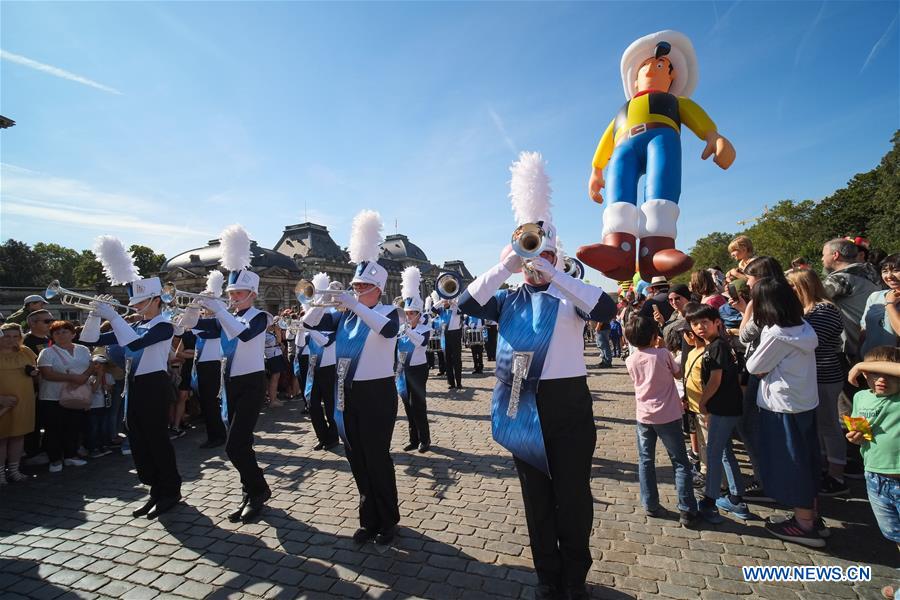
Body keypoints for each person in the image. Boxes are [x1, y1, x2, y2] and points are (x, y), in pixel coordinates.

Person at [462, 153, 617, 599]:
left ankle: (575, 576)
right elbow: (469, 303)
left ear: (555, 253)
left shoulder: (570, 298)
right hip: (521, 405)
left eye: (544, 251)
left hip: (567, 404)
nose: (536, 259)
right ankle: (547, 576)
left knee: (572, 495)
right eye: (531, 252)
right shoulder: (506, 299)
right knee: (536, 499)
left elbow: (606, 309)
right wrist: (509, 264)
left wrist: (557, 273)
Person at [579, 30, 735, 281]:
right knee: (618, 194)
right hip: (623, 147)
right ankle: (619, 249)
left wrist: (712, 136)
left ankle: (656, 250)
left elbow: (698, 117)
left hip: (661, 138)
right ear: (635, 80)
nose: (654, 67)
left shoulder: (674, 101)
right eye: (648, 65)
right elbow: (607, 139)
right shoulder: (623, 110)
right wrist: (596, 170)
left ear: (671, 77)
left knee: (661, 189)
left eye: (662, 64)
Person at [302, 210, 401, 545]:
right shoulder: (344, 317)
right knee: (356, 458)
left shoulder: (388, 312)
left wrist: (352, 304)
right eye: (356, 286)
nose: (357, 291)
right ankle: (368, 518)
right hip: (346, 391)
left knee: (376, 457)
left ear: (378, 289)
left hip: (377, 393)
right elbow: (310, 324)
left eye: (364, 287)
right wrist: (322, 297)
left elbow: (387, 331)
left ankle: (388, 520)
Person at [181, 226, 272, 524]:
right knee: (241, 445)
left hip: (251, 383)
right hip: (229, 383)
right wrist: (196, 307)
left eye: (239, 293)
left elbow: (244, 336)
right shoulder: (226, 317)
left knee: (234, 444)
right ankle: (251, 491)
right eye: (231, 293)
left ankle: (258, 490)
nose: (233, 297)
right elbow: (188, 328)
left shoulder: (260, 317)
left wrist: (219, 310)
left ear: (252, 294)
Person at [81, 268, 182, 519]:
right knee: (138, 441)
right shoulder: (135, 324)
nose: (134, 307)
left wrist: (114, 317)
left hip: (155, 386)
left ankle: (170, 490)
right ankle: (155, 488)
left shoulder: (164, 326)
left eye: (138, 302)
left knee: (157, 440)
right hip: (134, 384)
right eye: (133, 303)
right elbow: (89, 339)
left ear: (155, 300)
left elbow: (135, 344)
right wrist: (95, 315)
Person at [745, 278, 824, 548]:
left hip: (782, 406)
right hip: (803, 402)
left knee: (792, 463)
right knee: (808, 458)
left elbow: (755, 365)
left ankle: (803, 523)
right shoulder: (803, 326)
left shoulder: (777, 333)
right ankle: (811, 515)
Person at [624, 315, 698, 527]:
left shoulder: (631, 360)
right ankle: (687, 508)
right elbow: (678, 374)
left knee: (646, 461)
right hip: (668, 414)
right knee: (680, 462)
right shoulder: (663, 354)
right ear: (654, 335)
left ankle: (650, 503)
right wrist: (663, 346)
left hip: (644, 416)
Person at [787, 268, 849, 496]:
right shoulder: (808, 310)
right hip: (812, 375)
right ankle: (824, 467)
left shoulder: (824, 310)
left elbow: (809, 341)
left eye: (793, 286)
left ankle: (837, 475)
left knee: (829, 425)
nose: (790, 290)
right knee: (820, 427)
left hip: (824, 375)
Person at [684, 304, 749, 522]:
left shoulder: (716, 347)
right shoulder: (720, 344)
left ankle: (710, 501)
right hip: (729, 407)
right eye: (695, 324)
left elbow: (715, 379)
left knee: (713, 454)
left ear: (716, 323)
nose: (700, 327)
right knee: (724, 452)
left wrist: (703, 402)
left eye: (704, 322)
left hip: (722, 408)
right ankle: (736, 496)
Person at [846, 347, 900, 563]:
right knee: (894, 534)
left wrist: (860, 365)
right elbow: (861, 433)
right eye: (875, 373)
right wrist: (855, 437)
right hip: (875, 478)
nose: (881, 379)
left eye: (889, 373)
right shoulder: (860, 397)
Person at [36, 320, 92, 473]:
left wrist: (84, 377)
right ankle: (54, 459)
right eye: (57, 332)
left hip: (77, 395)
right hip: (52, 397)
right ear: (52, 336)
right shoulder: (47, 352)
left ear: (73, 334)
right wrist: (73, 378)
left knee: (73, 427)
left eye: (65, 331)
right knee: (54, 429)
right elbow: (47, 374)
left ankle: (70, 455)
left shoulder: (83, 349)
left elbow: (91, 367)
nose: (61, 335)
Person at [822, 238, 881, 361]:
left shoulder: (839, 280)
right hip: (877, 341)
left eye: (823, 255)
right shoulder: (873, 273)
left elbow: (808, 299)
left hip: (853, 349)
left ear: (835, 255)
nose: (822, 259)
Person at [302, 273, 339, 452]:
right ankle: (322, 436)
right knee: (312, 404)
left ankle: (332, 437)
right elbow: (299, 344)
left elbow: (327, 342)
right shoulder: (311, 314)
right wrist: (301, 331)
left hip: (329, 366)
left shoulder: (334, 315)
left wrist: (308, 330)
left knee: (331, 406)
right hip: (313, 366)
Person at [397, 266, 432, 452]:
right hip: (403, 369)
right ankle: (413, 438)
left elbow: (420, 343)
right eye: (407, 313)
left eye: (411, 313)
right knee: (407, 405)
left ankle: (425, 439)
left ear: (418, 314)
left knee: (418, 405)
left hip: (418, 370)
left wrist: (408, 330)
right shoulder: (403, 329)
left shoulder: (424, 329)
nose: (408, 316)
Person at [0, 323, 38, 484]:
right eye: (7, 336)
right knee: (1, 438)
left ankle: (15, 471)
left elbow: (35, 372)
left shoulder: (26, 352)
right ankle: (0, 473)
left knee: (18, 436)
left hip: (24, 400)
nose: (11, 340)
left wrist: (35, 373)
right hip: (3, 402)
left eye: (15, 336)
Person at [21, 309, 53, 467]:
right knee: (34, 423)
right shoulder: (25, 342)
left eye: (51, 320)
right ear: (33, 323)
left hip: (50, 387)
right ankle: (32, 452)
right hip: (34, 388)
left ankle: (46, 449)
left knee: (48, 421)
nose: (51, 323)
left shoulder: (50, 338)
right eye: (46, 321)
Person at [860, 253, 900, 359]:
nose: (889, 276)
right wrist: (858, 356)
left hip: (894, 363)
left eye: (896, 270)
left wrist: (890, 305)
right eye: (885, 271)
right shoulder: (875, 296)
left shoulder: (890, 301)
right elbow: (864, 330)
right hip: (870, 359)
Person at [432, 292, 464, 390]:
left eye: (447, 300)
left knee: (457, 360)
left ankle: (458, 382)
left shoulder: (455, 309)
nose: (446, 302)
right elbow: (433, 309)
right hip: (445, 336)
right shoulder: (441, 310)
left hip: (455, 335)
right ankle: (451, 382)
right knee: (448, 360)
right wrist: (441, 301)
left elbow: (461, 309)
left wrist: (453, 302)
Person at [85, 354, 114, 459]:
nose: (100, 367)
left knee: (104, 427)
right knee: (93, 428)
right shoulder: (90, 377)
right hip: (93, 406)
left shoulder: (109, 376)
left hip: (105, 405)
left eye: (103, 365)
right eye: (97, 364)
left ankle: (103, 445)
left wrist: (108, 387)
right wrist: (99, 377)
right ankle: (93, 448)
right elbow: (92, 390)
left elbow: (111, 390)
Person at [264, 322, 288, 408]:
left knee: (275, 378)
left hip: (274, 355)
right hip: (272, 356)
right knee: (274, 378)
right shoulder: (265, 334)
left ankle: (273, 398)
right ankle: (272, 400)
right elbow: (278, 341)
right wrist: (277, 331)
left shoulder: (268, 333)